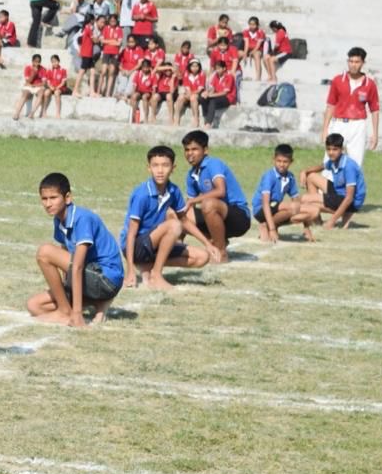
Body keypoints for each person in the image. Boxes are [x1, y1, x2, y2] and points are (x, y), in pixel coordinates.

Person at [27, 172, 123, 327]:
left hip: (106, 279)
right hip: (88, 275)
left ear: (67, 198)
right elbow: (66, 254)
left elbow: (77, 266)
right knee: (34, 306)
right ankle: (97, 303)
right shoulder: (58, 220)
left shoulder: (82, 218)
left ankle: (66, 312)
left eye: (53, 198)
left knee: (44, 252)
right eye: (44, 199)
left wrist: (77, 313)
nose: (48, 204)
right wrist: (65, 289)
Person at [118, 145, 213, 291]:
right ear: (149, 168)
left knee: (202, 257)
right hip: (136, 246)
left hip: (154, 245)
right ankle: (156, 275)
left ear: (173, 168)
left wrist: (207, 243)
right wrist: (129, 269)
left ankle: (148, 266)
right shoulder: (142, 194)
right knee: (174, 225)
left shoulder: (173, 190)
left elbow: (184, 220)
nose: (160, 170)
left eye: (165, 165)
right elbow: (131, 234)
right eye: (155, 165)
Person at [182, 130, 250, 257]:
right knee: (179, 214)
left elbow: (220, 191)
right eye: (187, 150)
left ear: (205, 150)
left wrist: (193, 200)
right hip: (215, 218)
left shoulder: (213, 164)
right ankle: (210, 242)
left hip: (238, 216)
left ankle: (221, 252)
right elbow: (188, 207)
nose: (190, 153)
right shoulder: (191, 175)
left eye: (194, 149)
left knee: (208, 204)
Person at [320, 46, 379, 170]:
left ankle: (352, 183)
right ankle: (327, 183)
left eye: (357, 62)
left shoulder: (369, 84)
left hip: (358, 125)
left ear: (362, 63)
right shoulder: (338, 80)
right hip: (338, 123)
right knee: (330, 161)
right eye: (351, 61)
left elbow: (374, 109)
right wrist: (325, 129)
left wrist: (375, 133)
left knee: (355, 164)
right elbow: (330, 105)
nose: (353, 65)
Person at [298, 133, 367, 230]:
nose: (331, 152)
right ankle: (317, 220)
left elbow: (349, 198)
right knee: (311, 177)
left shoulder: (349, 166)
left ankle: (345, 213)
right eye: (328, 149)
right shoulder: (334, 161)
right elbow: (321, 167)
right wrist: (304, 171)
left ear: (342, 150)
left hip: (350, 201)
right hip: (338, 193)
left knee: (304, 200)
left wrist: (332, 221)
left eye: (335, 149)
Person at [253, 144, 314, 243]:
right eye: (279, 161)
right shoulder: (269, 176)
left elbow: (297, 201)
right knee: (293, 207)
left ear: (291, 161)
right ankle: (268, 225)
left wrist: (306, 227)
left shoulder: (290, 177)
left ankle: (270, 224)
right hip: (261, 209)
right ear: (274, 159)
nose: (281, 164)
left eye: (285, 161)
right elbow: (265, 203)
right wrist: (272, 230)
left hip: (275, 208)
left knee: (311, 211)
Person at [71, 14, 101, 97]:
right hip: (87, 53)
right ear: (91, 20)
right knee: (82, 72)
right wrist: (100, 38)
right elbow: (94, 40)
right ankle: (75, 90)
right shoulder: (88, 28)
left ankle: (92, 91)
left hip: (89, 53)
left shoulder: (85, 28)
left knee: (92, 71)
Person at [201, 59, 235, 128]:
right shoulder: (216, 76)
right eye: (216, 69)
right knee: (202, 98)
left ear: (224, 68)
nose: (217, 70)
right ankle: (205, 117)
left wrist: (211, 95)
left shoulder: (229, 77)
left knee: (213, 101)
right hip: (217, 96)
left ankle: (208, 123)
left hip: (228, 98)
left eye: (219, 68)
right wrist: (207, 93)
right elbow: (212, 88)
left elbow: (225, 93)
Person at [173, 58, 206, 127]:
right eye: (193, 66)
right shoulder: (186, 74)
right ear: (190, 67)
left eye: (196, 66)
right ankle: (177, 117)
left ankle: (196, 118)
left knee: (193, 98)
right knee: (181, 97)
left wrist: (191, 94)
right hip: (189, 93)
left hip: (198, 94)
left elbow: (200, 89)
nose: (195, 68)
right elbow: (187, 87)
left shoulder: (202, 74)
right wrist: (189, 93)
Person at [13, 53, 45, 119]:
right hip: (29, 86)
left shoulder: (43, 69)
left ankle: (32, 113)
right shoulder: (28, 68)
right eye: (35, 61)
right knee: (25, 93)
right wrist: (33, 74)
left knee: (41, 92)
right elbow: (28, 81)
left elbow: (44, 83)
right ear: (32, 61)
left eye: (38, 62)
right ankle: (17, 113)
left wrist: (34, 85)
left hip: (37, 86)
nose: (37, 63)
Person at [98, 13, 123, 97]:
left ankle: (108, 93)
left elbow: (119, 43)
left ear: (116, 21)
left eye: (114, 21)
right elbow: (102, 41)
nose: (112, 22)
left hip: (114, 53)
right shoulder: (105, 28)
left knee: (111, 73)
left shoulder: (119, 29)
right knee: (103, 71)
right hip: (106, 52)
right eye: (111, 20)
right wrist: (113, 41)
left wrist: (107, 41)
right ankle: (98, 91)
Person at [40, 54, 69, 118]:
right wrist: (50, 87)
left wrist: (57, 87)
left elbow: (63, 82)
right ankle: (44, 111)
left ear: (59, 61)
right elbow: (48, 81)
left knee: (56, 93)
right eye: (53, 62)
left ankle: (58, 113)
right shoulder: (49, 70)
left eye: (56, 61)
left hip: (60, 87)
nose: (54, 63)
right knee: (46, 93)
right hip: (52, 87)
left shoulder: (63, 70)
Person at [126, 58, 154, 124]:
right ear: (142, 67)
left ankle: (146, 117)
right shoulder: (138, 74)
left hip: (148, 92)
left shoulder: (152, 75)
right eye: (144, 67)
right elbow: (134, 86)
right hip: (139, 91)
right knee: (134, 96)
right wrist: (132, 95)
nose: (145, 69)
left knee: (144, 97)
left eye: (147, 67)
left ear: (149, 67)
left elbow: (154, 89)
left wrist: (152, 98)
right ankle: (133, 116)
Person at [242, 16, 266, 80]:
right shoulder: (245, 31)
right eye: (250, 24)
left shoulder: (261, 32)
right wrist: (245, 53)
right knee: (239, 54)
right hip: (249, 49)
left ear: (257, 25)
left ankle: (258, 77)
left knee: (256, 55)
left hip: (258, 49)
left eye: (254, 24)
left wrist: (253, 51)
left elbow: (258, 45)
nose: (252, 26)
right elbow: (246, 43)